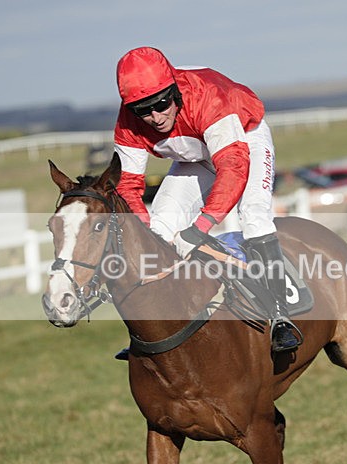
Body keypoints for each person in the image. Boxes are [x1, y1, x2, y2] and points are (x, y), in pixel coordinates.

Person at [112, 46, 301, 356]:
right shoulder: (128, 120)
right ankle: (158, 327)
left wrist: (199, 228)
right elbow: (128, 186)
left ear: (174, 91)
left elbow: (233, 169)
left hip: (244, 141)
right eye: (143, 110)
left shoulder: (208, 97)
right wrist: (145, 230)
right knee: (158, 228)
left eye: (161, 104)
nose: (155, 117)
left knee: (253, 216)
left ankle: (281, 316)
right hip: (195, 156)